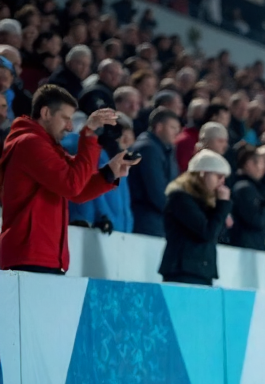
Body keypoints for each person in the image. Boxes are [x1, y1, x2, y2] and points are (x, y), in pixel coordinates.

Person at [0, 86, 136, 272]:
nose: (70, 127)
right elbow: (71, 185)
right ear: (46, 113)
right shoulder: (29, 143)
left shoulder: (48, 146)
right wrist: (89, 135)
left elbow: (78, 192)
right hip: (29, 255)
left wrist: (110, 173)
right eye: (65, 118)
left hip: (44, 256)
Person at [158, 150, 233, 286]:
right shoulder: (180, 198)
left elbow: (217, 234)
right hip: (183, 271)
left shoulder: (206, 202)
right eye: (218, 176)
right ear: (202, 173)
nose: (222, 182)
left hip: (201, 271)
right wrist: (222, 206)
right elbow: (207, 232)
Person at [65, 112, 135, 233]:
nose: (126, 140)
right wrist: (102, 216)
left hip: (119, 231)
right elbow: (94, 191)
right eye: (121, 134)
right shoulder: (96, 155)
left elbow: (125, 200)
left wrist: (128, 225)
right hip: (91, 225)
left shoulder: (120, 161)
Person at [129, 106, 180, 236]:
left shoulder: (165, 150)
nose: (176, 133)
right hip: (147, 221)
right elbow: (157, 191)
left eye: (177, 129)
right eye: (172, 128)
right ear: (159, 127)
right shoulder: (149, 149)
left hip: (158, 220)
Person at [226, 142, 265, 250]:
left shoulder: (253, 187)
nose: (263, 169)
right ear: (248, 164)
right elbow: (257, 220)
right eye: (260, 163)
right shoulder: (244, 188)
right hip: (246, 248)